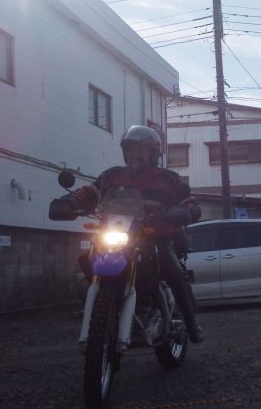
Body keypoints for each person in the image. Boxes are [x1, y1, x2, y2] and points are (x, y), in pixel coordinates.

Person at [62, 125, 205, 343]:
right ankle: (107, 310)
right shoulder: (113, 176)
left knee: (174, 273)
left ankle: (192, 322)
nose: (134, 154)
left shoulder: (169, 179)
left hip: (156, 237)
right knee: (88, 261)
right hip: (118, 233)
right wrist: (71, 202)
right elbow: (90, 192)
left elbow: (188, 202)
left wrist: (188, 210)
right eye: (130, 149)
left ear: (153, 153)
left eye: (140, 150)